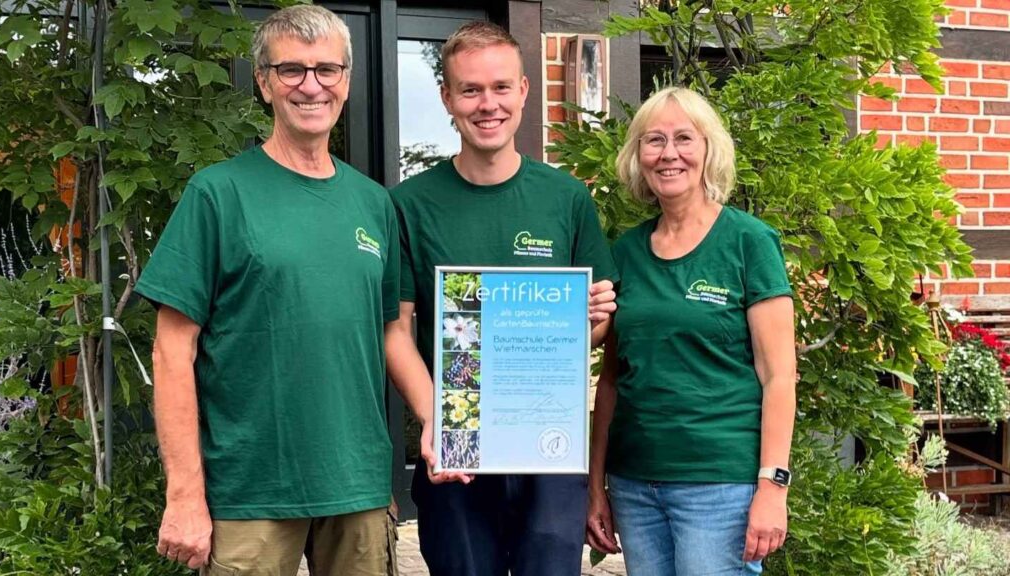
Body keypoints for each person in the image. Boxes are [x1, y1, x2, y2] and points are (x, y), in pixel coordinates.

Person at [137, 6, 421, 574]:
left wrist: (438, 419)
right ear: (264, 83)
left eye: (327, 70)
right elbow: (172, 352)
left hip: (356, 487)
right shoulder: (218, 194)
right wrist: (185, 496)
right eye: (291, 70)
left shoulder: (373, 203)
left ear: (346, 80)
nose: (311, 85)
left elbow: (391, 331)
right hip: (251, 492)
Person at [386, 21, 618, 576]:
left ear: (523, 91)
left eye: (500, 87)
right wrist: (434, 425)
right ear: (446, 98)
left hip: (548, 444)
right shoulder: (409, 205)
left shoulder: (566, 198)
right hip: (457, 443)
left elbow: (596, 328)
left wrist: (590, 321)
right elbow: (396, 332)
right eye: (470, 90)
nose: (486, 104)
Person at [586, 86, 797, 576]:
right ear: (638, 156)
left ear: (709, 150)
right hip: (636, 484)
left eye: (685, 138)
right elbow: (613, 378)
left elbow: (779, 377)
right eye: (654, 140)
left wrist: (772, 487)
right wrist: (597, 485)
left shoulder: (749, 242)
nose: (669, 153)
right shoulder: (627, 252)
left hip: (719, 486)